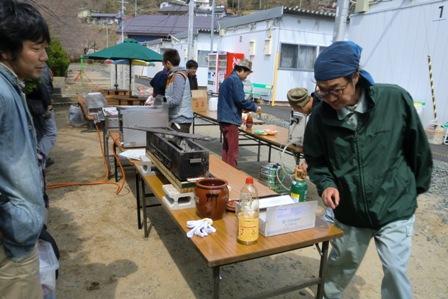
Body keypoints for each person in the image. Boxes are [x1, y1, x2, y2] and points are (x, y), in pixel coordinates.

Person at [303, 40, 433, 299]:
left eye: (336, 90)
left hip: (395, 207)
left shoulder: (394, 99)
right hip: (350, 211)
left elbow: (418, 149)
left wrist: (410, 191)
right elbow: (316, 160)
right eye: (322, 91)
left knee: (396, 271)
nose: (329, 98)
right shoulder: (320, 117)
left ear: (355, 76)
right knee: (340, 268)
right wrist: (327, 183)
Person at [0, 1, 50, 298]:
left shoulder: (10, 86)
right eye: (35, 48)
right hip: (11, 245)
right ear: (6, 49)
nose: (43, 57)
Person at [217, 59, 261, 168]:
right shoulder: (236, 81)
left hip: (223, 118)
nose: (246, 76)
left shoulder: (227, 80)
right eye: (247, 73)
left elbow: (232, 100)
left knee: (226, 148)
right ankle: (231, 175)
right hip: (231, 119)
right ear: (241, 70)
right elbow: (240, 100)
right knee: (232, 151)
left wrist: (242, 108)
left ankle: (224, 171)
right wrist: (254, 108)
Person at [26, 63, 57, 167]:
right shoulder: (41, 65)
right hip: (40, 104)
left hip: (32, 102)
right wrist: (48, 104)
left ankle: (39, 158)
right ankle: (38, 160)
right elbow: (43, 84)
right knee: (50, 133)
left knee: (39, 133)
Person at [163, 49, 193, 133]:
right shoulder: (173, 75)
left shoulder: (178, 76)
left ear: (168, 63)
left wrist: (161, 103)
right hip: (177, 118)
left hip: (181, 119)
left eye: (164, 64)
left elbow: (175, 100)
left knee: (177, 145)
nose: (164, 67)